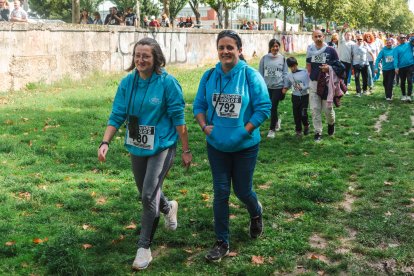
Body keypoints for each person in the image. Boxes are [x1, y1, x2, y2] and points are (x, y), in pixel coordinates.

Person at [97, 37, 192, 270]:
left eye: (146, 55)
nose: (141, 59)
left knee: (149, 195)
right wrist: (105, 141)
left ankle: (144, 248)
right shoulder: (127, 83)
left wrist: (186, 149)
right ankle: (169, 207)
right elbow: (117, 114)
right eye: (137, 55)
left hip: (162, 145)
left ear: (156, 58)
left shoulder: (168, 83)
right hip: (137, 144)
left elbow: (179, 120)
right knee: (146, 192)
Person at [193, 30, 271, 262]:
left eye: (230, 47)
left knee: (243, 190)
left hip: (245, 146)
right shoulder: (208, 76)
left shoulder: (250, 75)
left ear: (239, 50)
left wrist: (243, 131)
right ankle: (221, 241)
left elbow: (263, 108)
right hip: (216, 146)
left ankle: (256, 213)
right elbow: (198, 105)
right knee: (221, 192)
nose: (225, 51)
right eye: (221, 47)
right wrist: (205, 126)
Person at [306, 29, 339, 142]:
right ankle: (318, 132)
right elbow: (308, 67)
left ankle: (331, 123)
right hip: (314, 83)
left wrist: (328, 68)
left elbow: (339, 67)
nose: (318, 38)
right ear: (312, 38)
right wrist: (311, 78)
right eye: (316, 36)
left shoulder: (331, 51)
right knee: (315, 109)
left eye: (320, 36)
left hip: (327, 84)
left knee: (328, 109)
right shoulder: (310, 51)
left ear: (323, 37)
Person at [259, 38, 287, 138]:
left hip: (278, 87)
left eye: (277, 46)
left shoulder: (283, 58)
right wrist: (261, 87)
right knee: (270, 107)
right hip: (267, 87)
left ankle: (272, 130)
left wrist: (285, 86)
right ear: (270, 47)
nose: (275, 48)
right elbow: (260, 73)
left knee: (273, 107)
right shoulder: (264, 58)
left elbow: (285, 73)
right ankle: (276, 121)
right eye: (273, 46)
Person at [282, 57, 310, 136]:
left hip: (305, 96)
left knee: (303, 113)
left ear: (297, 64)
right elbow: (287, 85)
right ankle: (298, 131)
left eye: (294, 66)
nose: (293, 68)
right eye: (291, 67)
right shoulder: (289, 75)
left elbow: (309, 84)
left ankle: (306, 125)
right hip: (295, 97)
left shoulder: (304, 72)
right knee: (296, 114)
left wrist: (303, 87)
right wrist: (284, 90)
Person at [393, 35, 414, 102]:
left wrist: (411, 36)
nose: (403, 39)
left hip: (410, 65)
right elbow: (395, 58)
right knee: (402, 81)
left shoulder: (409, 44)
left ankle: (409, 96)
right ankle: (403, 95)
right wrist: (396, 67)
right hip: (401, 67)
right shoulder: (396, 49)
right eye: (401, 38)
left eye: (404, 37)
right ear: (398, 39)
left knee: (410, 80)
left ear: (406, 38)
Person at [338, 23, 355, 88]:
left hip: (349, 62)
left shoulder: (353, 44)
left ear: (351, 36)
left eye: (349, 35)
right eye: (347, 35)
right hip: (341, 61)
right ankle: (340, 88)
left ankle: (345, 88)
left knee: (347, 76)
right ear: (345, 36)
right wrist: (343, 28)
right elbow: (340, 34)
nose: (348, 36)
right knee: (341, 75)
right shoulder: (342, 41)